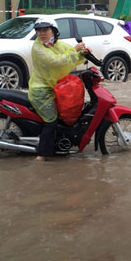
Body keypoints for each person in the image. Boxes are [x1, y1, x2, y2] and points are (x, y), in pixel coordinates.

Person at [28, 18, 89, 161]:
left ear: (54, 31)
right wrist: (75, 50)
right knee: (51, 121)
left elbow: (69, 56)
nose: (42, 33)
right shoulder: (38, 48)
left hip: (53, 87)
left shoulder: (57, 45)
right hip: (41, 91)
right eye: (39, 30)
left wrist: (83, 53)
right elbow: (57, 62)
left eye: (45, 30)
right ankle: (41, 155)